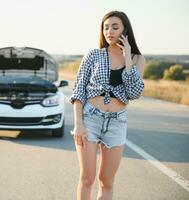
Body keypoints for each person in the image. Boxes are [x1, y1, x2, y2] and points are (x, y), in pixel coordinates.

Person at [69, 10, 145, 200]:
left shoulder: (137, 59)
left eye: (115, 27)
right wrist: (79, 123)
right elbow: (78, 91)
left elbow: (134, 93)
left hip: (117, 122)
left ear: (125, 30)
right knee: (87, 178)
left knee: (106, 181)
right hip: (90, 119)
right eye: (105, 27)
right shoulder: (93, 55)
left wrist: (127, 58)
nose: (109, 31)